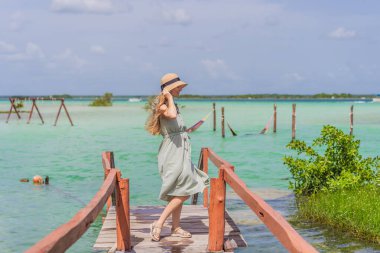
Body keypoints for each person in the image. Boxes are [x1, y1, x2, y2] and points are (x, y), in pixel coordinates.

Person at [145, 73, 210, 242]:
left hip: (181, 150)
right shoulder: (163, 107)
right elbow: (172, 116)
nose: (181, 88)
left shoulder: (174, 106)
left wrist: (190, 129)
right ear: (169, 89)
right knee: (185, 188)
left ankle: (175, 227)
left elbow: (178, 127)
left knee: (180, 188)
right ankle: (159, 223)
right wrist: (167, 97)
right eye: (179, 87)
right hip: (172, 152)